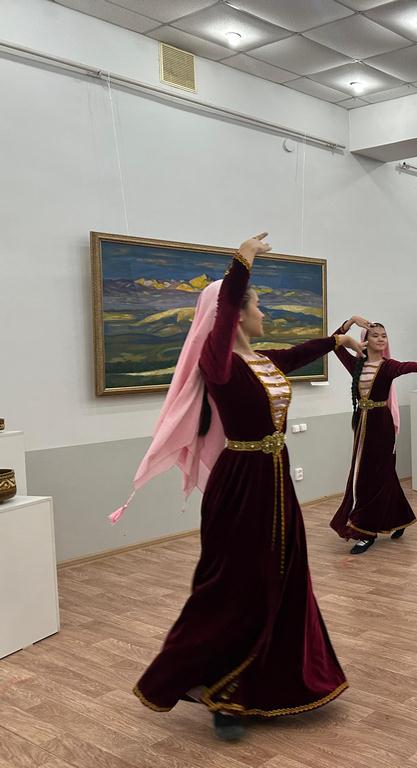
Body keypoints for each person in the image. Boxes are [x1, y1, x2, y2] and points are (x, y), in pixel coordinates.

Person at [117, 234, 352, 741]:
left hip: (275, 479)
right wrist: (240, 263)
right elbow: (220, 319)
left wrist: (336, 342)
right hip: (242, 483)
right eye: (257, 304)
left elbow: (296, 354)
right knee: (234, 585)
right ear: (238, 314)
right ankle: (203, 682)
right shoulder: (218, 363)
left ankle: (263, 681)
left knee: (283, 575)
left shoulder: (261, 360)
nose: (263, 311)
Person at [330, 321, 417, 554]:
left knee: (371, 476)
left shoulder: (388, 366)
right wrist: (351, 321)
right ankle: (399, 517)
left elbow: (407, 366)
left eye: (383, 335)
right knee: (379, 475)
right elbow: (335, 342)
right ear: (365, 340)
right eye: (375, 335)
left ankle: (366, 532)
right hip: (361, 424)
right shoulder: (356, 364)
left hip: (381, 426)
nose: (380, 339)